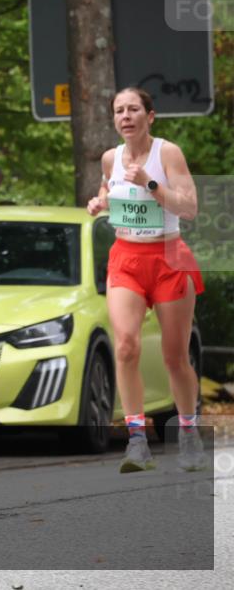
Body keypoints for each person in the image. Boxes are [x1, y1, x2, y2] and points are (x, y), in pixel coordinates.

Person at [86, 87, 207, 473]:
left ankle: (188, 433)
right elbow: (108, 191)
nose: (126, 116)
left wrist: (151, 185)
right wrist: (99, 202)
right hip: (126, 259)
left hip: (169, 256)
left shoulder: (166, 153)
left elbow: (189, 208)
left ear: (149, 116)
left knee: (175, 356)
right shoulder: (111, 158)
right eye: (119, 110)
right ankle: (137, 441)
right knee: (124, 346)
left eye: (134, 109)